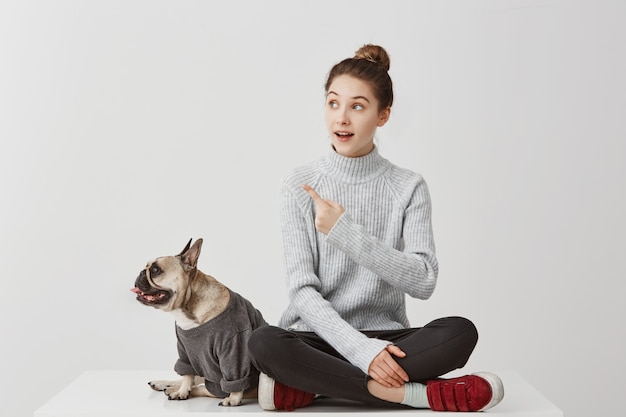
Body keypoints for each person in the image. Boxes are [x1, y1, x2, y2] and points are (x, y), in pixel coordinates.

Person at [247, 44, 504, 412]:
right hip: (317, 336)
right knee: (264, 342)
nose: (341, 119)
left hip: (389, 338)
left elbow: (424, 280)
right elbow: (302, 291)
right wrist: (362, 352)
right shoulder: (299, 183)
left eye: (357, 106)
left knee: (461, 331)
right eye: (333, 103)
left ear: (382, 116)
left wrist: (345, 233)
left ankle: (315, 386)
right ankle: (413, 394)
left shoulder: (408, 186)